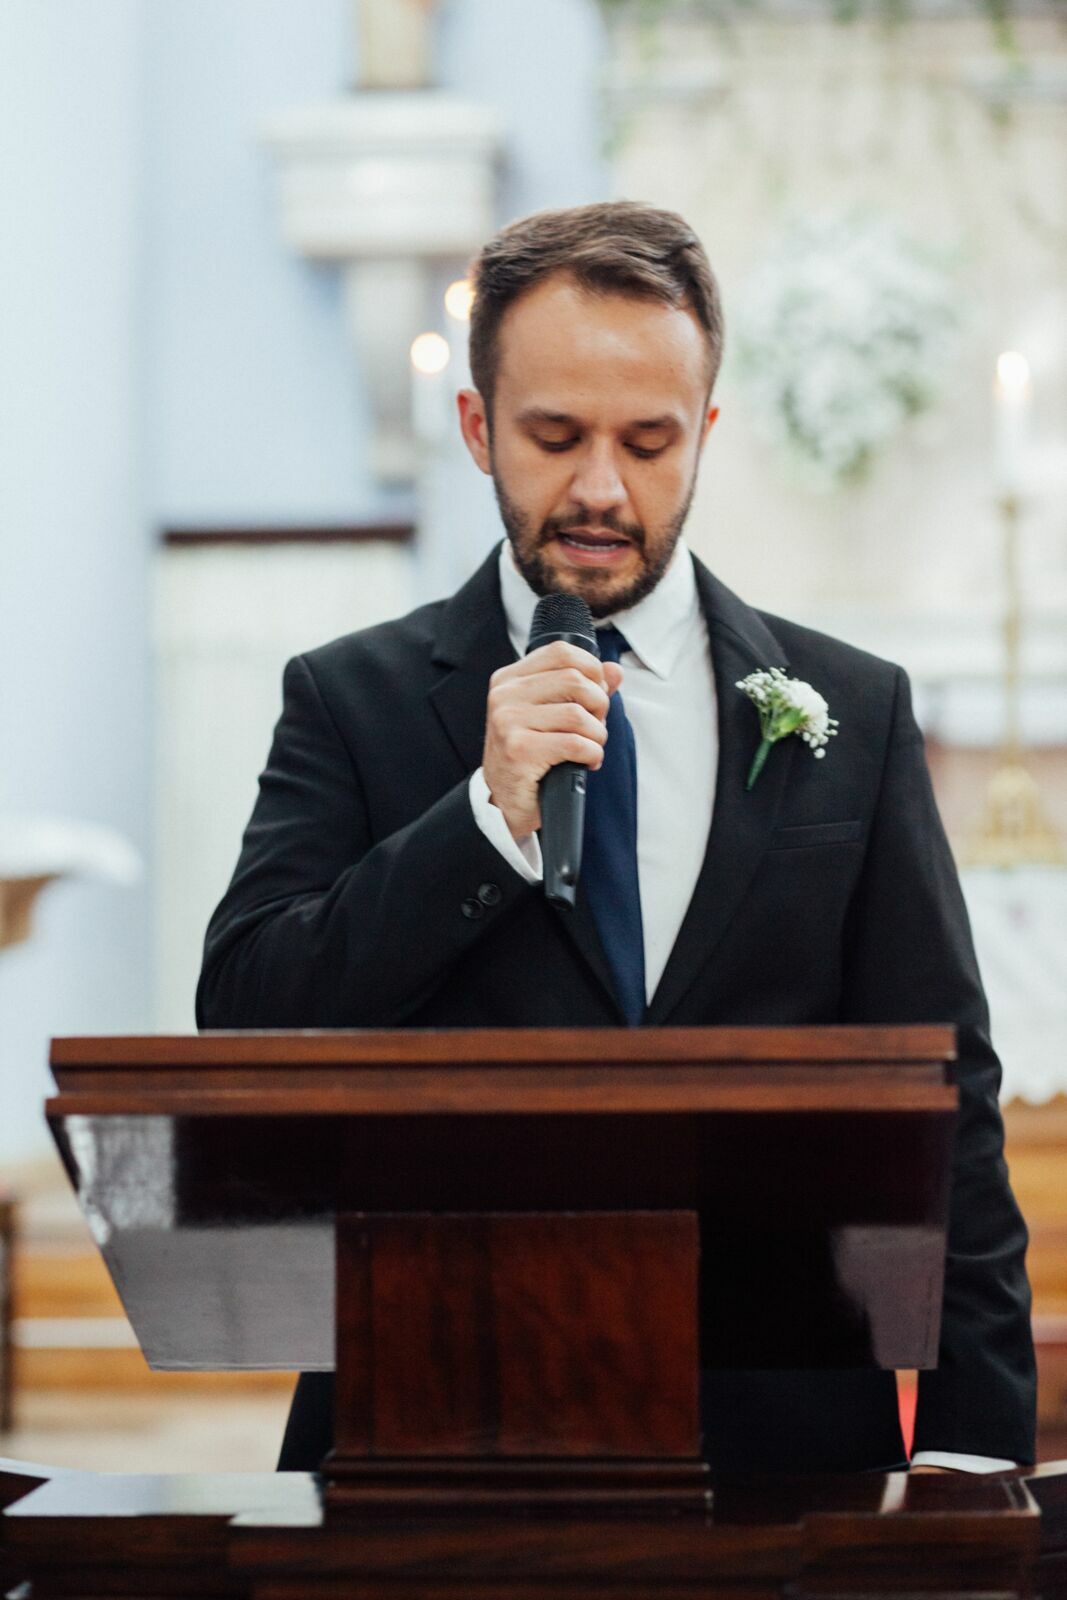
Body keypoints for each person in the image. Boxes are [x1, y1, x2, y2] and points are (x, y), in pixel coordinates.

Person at [197, 200, 1035, 1476]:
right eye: (554, 436)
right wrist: (482, 822)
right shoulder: (349, 698)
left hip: (780, 1445)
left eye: (648, 441)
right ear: (476, 426)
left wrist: (973, 1457)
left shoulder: (850, 713)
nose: (600, 488)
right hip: (432, 1427)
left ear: (704, 434)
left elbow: (946, 1098)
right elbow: (246, 1014)